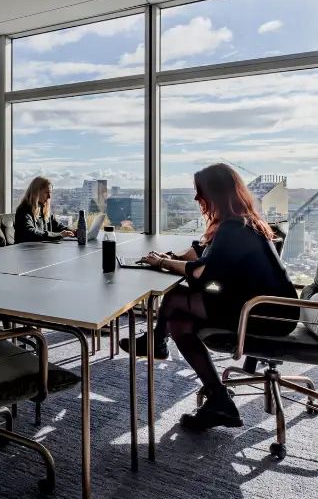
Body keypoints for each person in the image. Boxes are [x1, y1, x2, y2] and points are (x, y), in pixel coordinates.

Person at [120, 163, 299, 431]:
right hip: (266, 307)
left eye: (199, 191)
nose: (196, 198)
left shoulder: (235, 228)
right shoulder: (238, 222)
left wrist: (162, 264)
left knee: (177, 296)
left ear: (215, 193)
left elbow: (203, 272)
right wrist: (172, 257)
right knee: (179, 320)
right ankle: (218, 400)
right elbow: (201, 251)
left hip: (266, 314)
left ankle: (156, 343)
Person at [14, 176, 75, 243]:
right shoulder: (23, 210)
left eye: (50, 192)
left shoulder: (44, 209)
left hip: (40, 250)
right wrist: (59, 235)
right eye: (46, 192)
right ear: (36, 192)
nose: (49, 196)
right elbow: (30, 233)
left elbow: (58, 226)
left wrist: (74, 231)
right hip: (26, 251)